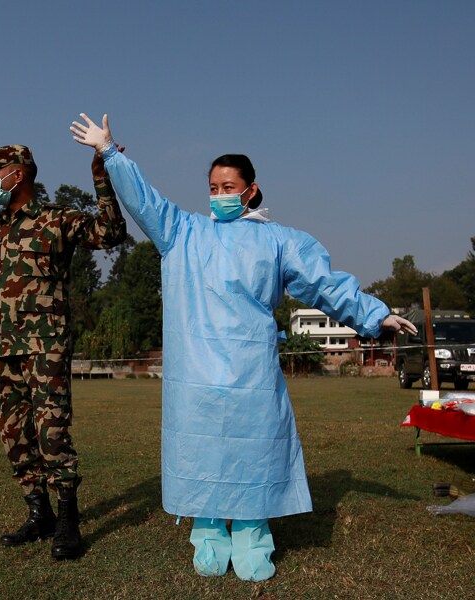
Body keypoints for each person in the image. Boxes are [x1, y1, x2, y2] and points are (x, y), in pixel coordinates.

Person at [70, 114, 417, 581]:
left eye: (228, 186)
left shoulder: (278, 242)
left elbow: (324, 284)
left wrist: (375, 314)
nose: (219, 195)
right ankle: (208, 534)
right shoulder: (182, 232)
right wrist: (111, 153)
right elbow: (144, 202)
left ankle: (253, 537)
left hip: (251, 372)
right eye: (212, 187)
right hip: (195, 376)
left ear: (251, 190)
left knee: (254, 454)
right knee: (202, 455)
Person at [0, 144, 126, 560]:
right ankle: (38, 513)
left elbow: (110, 233)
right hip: (5, 351)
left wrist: (101, 177)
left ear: (17, 174)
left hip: (46, 348)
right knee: (14, 438)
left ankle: (67, 520)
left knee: (51, 434)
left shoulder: (56, 218)